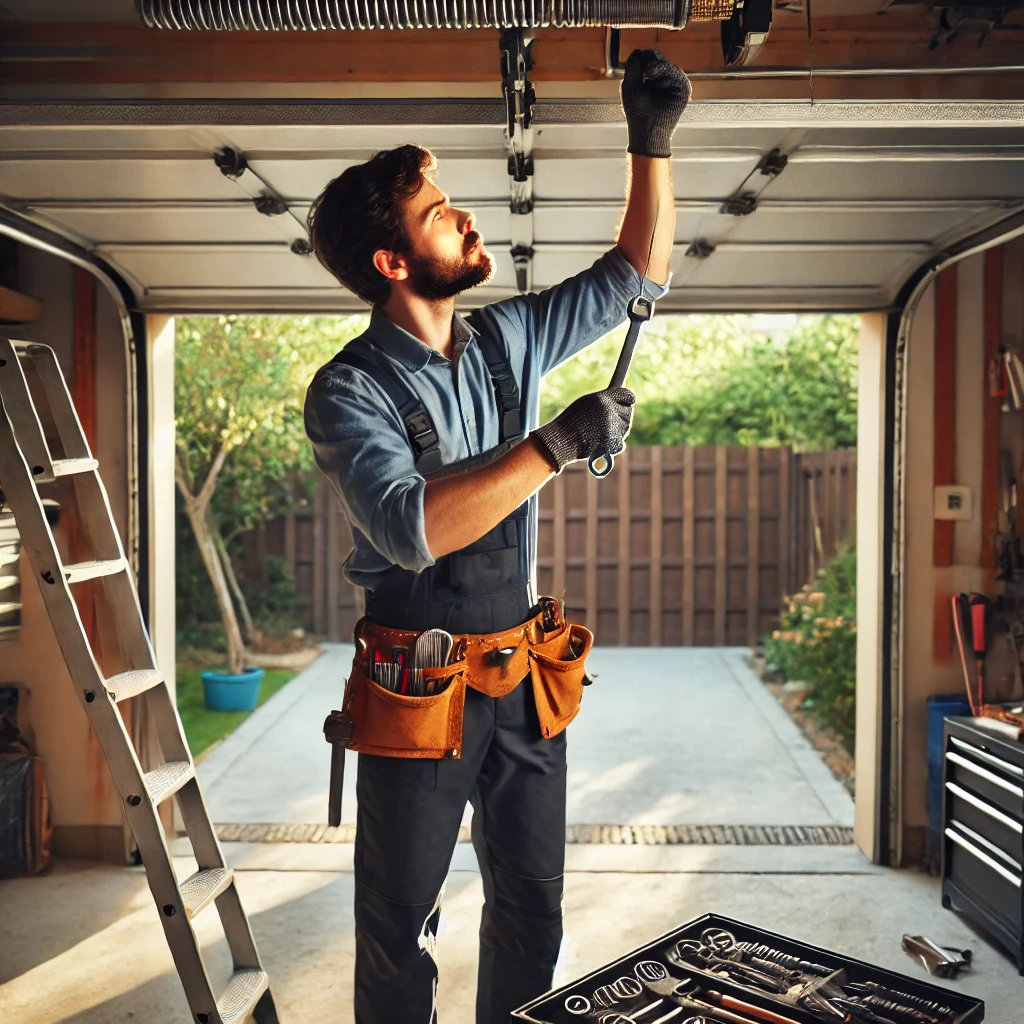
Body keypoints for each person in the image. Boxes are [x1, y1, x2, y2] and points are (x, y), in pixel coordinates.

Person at [304, 48, 689, 1024]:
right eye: (441, 213)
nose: (466, 218)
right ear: (393, 262)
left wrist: (650, 145)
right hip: (417, 687)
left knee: (531, 906)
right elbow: (411, 526)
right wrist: (555, 441)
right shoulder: (351, 390)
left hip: (520, 677)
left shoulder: (505, 339)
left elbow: (636, 275)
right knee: (399, 926)